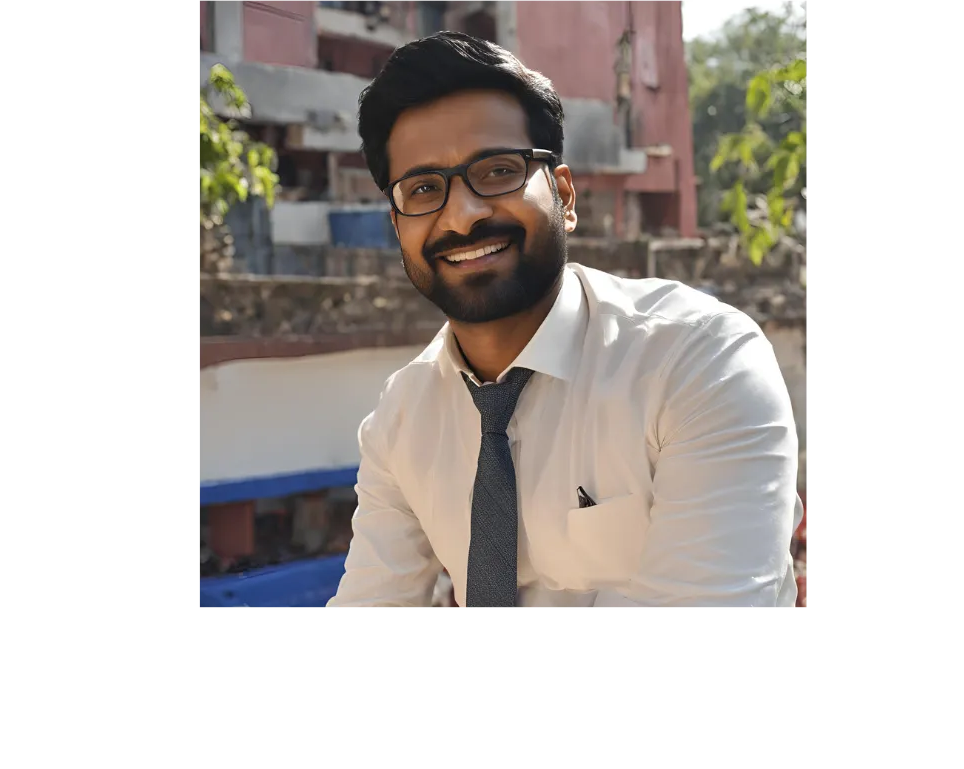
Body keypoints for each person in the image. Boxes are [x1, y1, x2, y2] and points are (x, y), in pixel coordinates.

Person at [326, 31, 803, 612]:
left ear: (564, 195)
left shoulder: (697, 361)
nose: (463, 214)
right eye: (424, 188)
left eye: (497, 171)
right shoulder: (402, 421)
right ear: (398, 226)